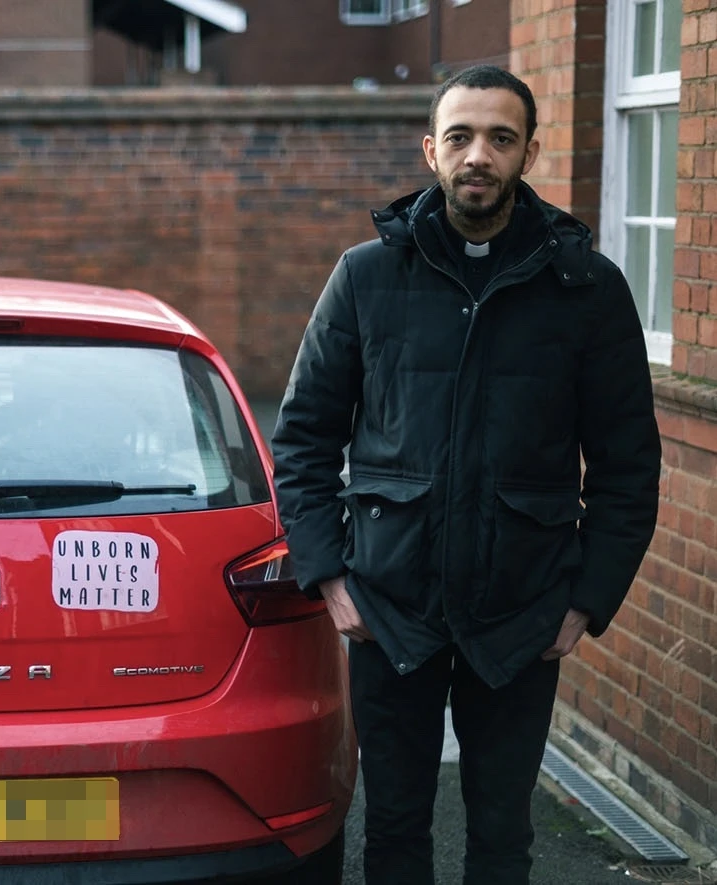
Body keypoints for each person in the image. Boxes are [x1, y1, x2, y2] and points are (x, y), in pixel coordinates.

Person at [269, 65, 661, 885]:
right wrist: (331, 577)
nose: (477, 154)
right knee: (396, 831)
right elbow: (303, 437)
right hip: (388, 608)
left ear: (528, 152)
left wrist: (584, 602)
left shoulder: (584, 288)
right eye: (459, 136)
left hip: (523, 610)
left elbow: (627, 464)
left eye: (499, 138)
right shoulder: (365, 277)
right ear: (430, 149)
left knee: (500, 835)